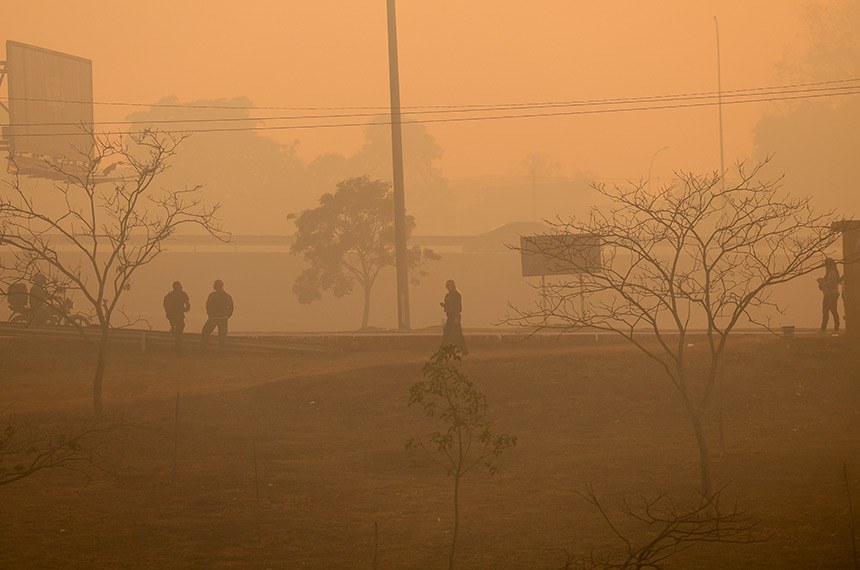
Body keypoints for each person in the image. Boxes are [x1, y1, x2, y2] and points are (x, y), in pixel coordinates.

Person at [201, 279, 234, 351]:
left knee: (208, 332)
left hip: (218, 318)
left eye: (214, 284)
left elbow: (231, 307)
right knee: (220, 336)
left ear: (218, 286)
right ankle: (206, 349)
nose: (213, 286)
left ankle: (206, 350)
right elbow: (208, 306)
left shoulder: (216, 295)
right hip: (218, 318)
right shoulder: (225, 296)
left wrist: (227, 316)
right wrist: (227, 316)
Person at [440, 279, 468, 355]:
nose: (447, 287)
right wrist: (444, 306)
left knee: (451, 333)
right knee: (453, 333)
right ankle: (464, 351)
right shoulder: (448, 295)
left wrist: (456, 317)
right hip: (450, 316)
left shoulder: (456, 294)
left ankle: (442, 350)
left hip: (454, 316)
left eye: (448, 286)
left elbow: (457, 307)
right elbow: (449, 306)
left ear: (452, 286)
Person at [163, 281, 191, 355]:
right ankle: (178, 350)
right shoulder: (181, 294)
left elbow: (165, 305)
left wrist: (169, 314)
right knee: (179, 331)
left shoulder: (170, 295)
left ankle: (177, 346)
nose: (181, 287)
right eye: (180, 286)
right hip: (176, 316)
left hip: (173, 316)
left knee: (178, 329)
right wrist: (185, 309)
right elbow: (188, 305)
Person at [817, 258, 842, 334]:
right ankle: (835, 328)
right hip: (830, 294)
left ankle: (825, 328)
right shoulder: (831, 272)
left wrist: (822, 282)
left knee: (828, 310)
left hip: (831, 294)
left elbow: (830, 285)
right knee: (831, 310)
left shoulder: (832, 273)